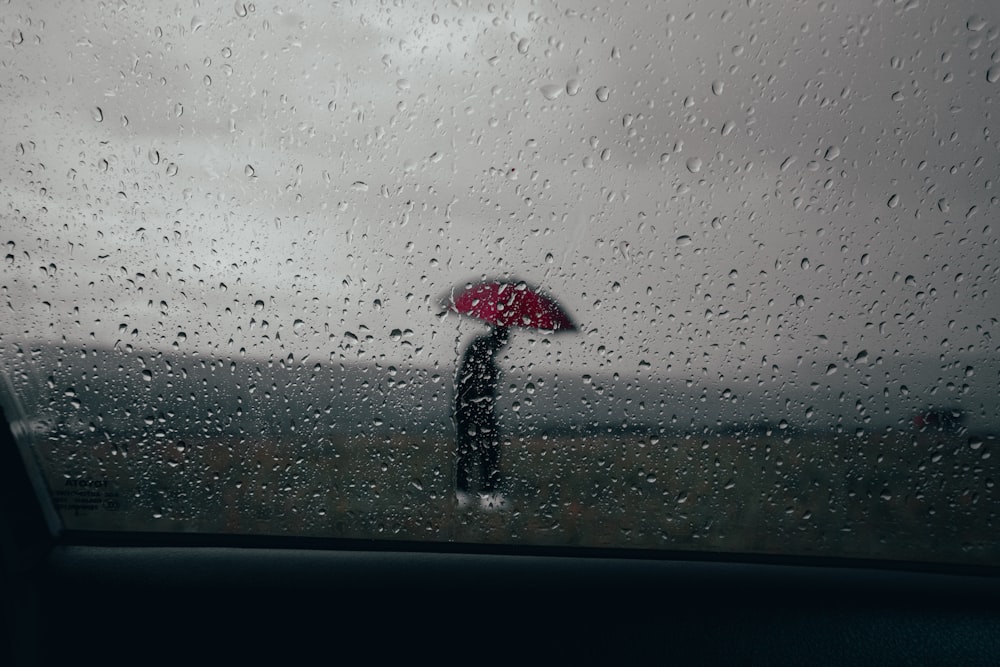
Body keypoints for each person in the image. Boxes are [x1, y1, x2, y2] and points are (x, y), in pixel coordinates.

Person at [454, 326, 509, 510]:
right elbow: (478, 383)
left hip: (467, 410)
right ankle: (484, 495)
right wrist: (494, 372)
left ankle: (465, 494)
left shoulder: (480, 347)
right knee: (484, 452)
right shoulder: (482, 349)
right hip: (474, 410)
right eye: (504, 340)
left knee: (469, 452)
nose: (505, 345)